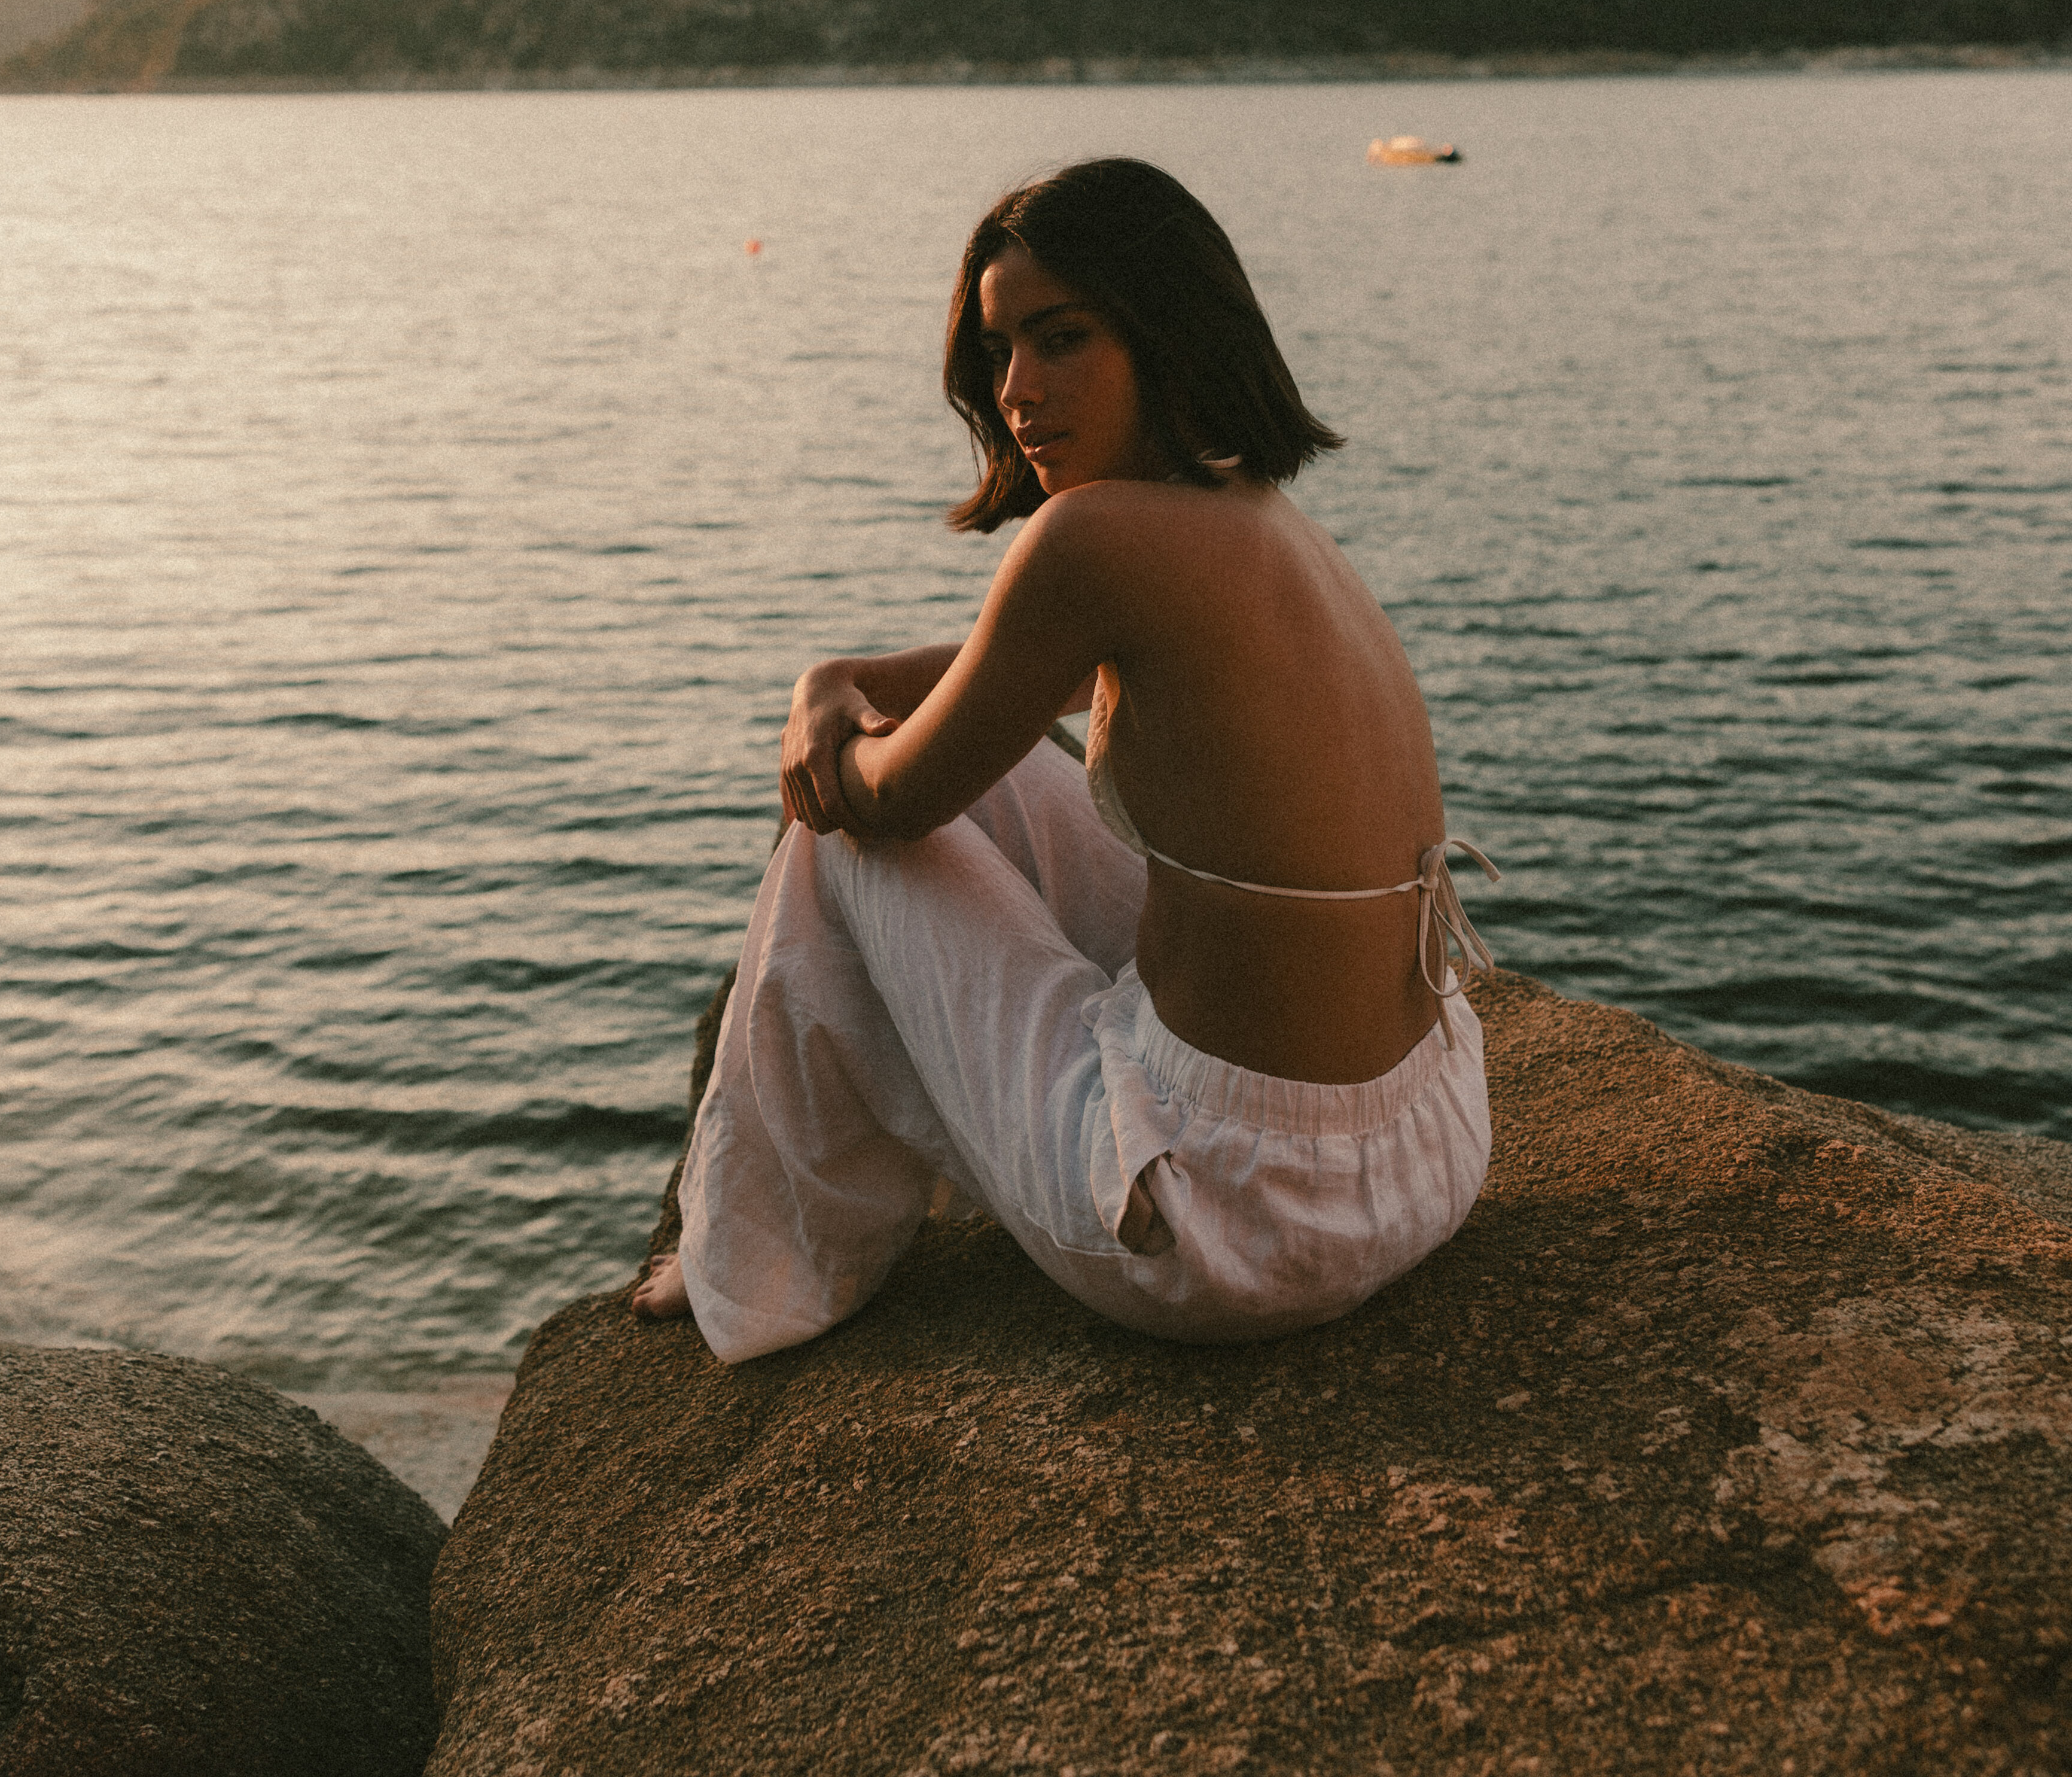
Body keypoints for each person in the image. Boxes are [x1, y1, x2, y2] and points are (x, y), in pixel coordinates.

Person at [633, 156, 1497, 1358]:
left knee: (832, 848)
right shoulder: (1260, 517)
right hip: (1427, 1155)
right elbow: (1015, 670)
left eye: (1062, 339)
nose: (1017, 391)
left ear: (1166, 330)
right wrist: (836, 681)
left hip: (1234, 1222)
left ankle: (756, 1257)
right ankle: (769, 1228)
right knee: (999, 776)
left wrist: (827, 727)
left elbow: (885, 801)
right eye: (999, 353)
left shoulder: (1090, 539)